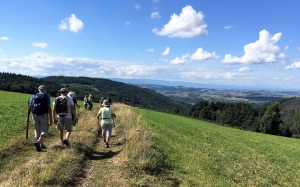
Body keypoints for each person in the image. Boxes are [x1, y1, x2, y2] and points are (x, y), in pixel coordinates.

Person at [26, 85, 52, 152]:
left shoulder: (33, 96)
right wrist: (51, 118)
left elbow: (30, 107)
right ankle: (39, 142)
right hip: (43, 115)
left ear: (39, 90)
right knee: (45, 129)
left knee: (37, 129)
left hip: (34, 114)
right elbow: (49, 107)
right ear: (45, 90)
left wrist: (27, 117)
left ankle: (40, 144)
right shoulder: (46, 96)